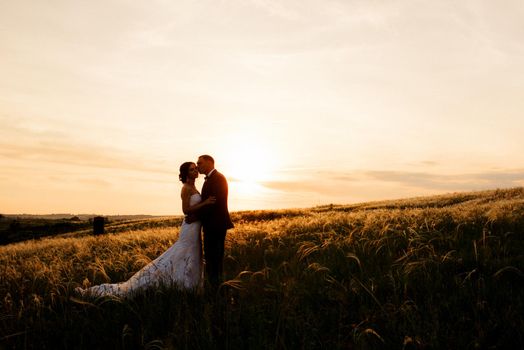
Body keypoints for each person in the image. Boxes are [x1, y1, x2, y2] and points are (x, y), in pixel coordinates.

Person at [75, 162, 215, 298]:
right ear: (185, 173)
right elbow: (185, 210)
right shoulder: (186, 188)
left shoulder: (195, 187)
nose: (196, 170)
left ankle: (189, 287)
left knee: (193, 255)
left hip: (195, 226)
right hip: (189, 229)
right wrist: (205, 203)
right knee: (183, 254)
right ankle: (172, 284)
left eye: (196, 168)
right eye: (192, 169)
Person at [195, 155, 234, 288]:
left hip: (216, 225)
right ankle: (214, 286)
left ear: (209, 162)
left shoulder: (218, 178)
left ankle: (217, 288)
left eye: (199, 163)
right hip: (211, 225)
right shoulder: (210, 179)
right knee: (211, 257)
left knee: (215, 258)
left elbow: (214, 203)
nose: (197, 166)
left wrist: (195, 217)